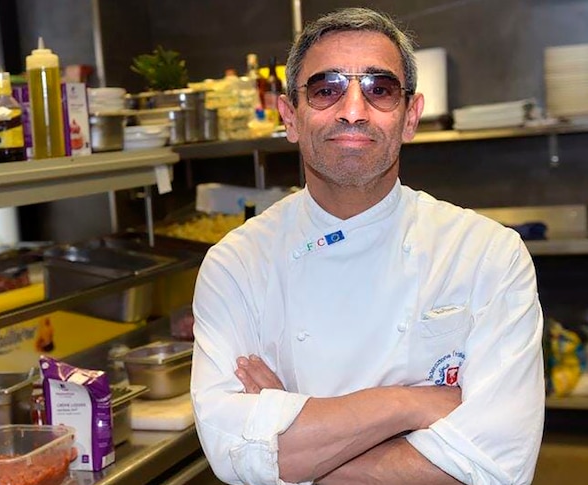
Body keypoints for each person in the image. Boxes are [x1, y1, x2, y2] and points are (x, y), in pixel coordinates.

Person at [190, 7, 544, 485]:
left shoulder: (488, 254)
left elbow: (499, 465)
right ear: (290, 117)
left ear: (410, 117)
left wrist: (293, 447)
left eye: (379, 90)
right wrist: (407, 403)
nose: (353, 110)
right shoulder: (236, 264)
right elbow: (232, 456)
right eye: (326, 89)